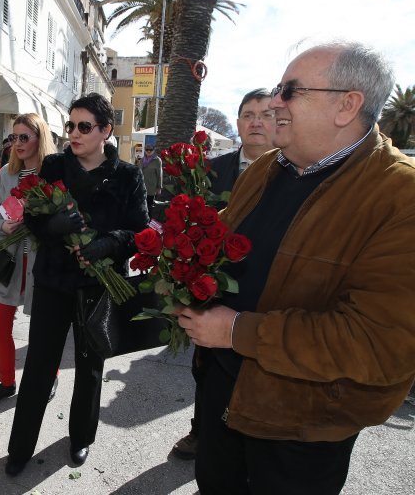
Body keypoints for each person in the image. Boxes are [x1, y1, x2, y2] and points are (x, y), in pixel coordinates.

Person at [177, 41, 415, 494]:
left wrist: (236, 332)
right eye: (276, 89)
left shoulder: (400, 197)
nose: (274, 103)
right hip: (223, 400)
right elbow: (220, 250)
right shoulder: (267, 167)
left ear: (348, 105)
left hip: (301, 430)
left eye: (290, 90)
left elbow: (381, 344)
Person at [5, 93, 149, 476]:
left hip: (99, 288)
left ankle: (81, 437)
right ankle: (20, 449)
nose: (74, 133)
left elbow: (139, 230)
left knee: (90, 366)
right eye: (70, 125)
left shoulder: (128, 176)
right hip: (53, 282)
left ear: (106, 131)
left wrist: (110, 243)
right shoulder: (53, 166)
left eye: (84, 126)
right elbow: (33, 217)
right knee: (39, 366)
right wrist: (51, 227)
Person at [170, 88, 275, 460]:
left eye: (265, 114)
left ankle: (246, 446)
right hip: (213, 287)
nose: (257, 122)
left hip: (266, 291)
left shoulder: (291, 173)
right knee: (208, 368)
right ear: (238, 123)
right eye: (249, 114)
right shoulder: (213, 171)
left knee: (256, 370)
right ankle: (202, 432)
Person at [0, 113, 57, 407]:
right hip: (8, 263)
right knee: (0, 326)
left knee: (44, 331)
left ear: (40, 138)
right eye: (15, 137)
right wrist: (3, 225)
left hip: (40, 264)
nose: (18, 143)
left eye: (25, 137)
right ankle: (6, 381)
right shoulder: (5, 174)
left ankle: (49, 377)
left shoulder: (54, 173)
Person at [140, 144, 163, 209]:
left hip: (152, 188)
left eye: (151, 150)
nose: (149, 151)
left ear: (153, 150)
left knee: (149, 207)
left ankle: (149, 219)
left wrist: (159, 187)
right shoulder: (142, 160)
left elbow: (160, 174)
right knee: (142, 206)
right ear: (145, 150)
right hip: (142, 187)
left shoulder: (157, 160)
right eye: (147, 150)